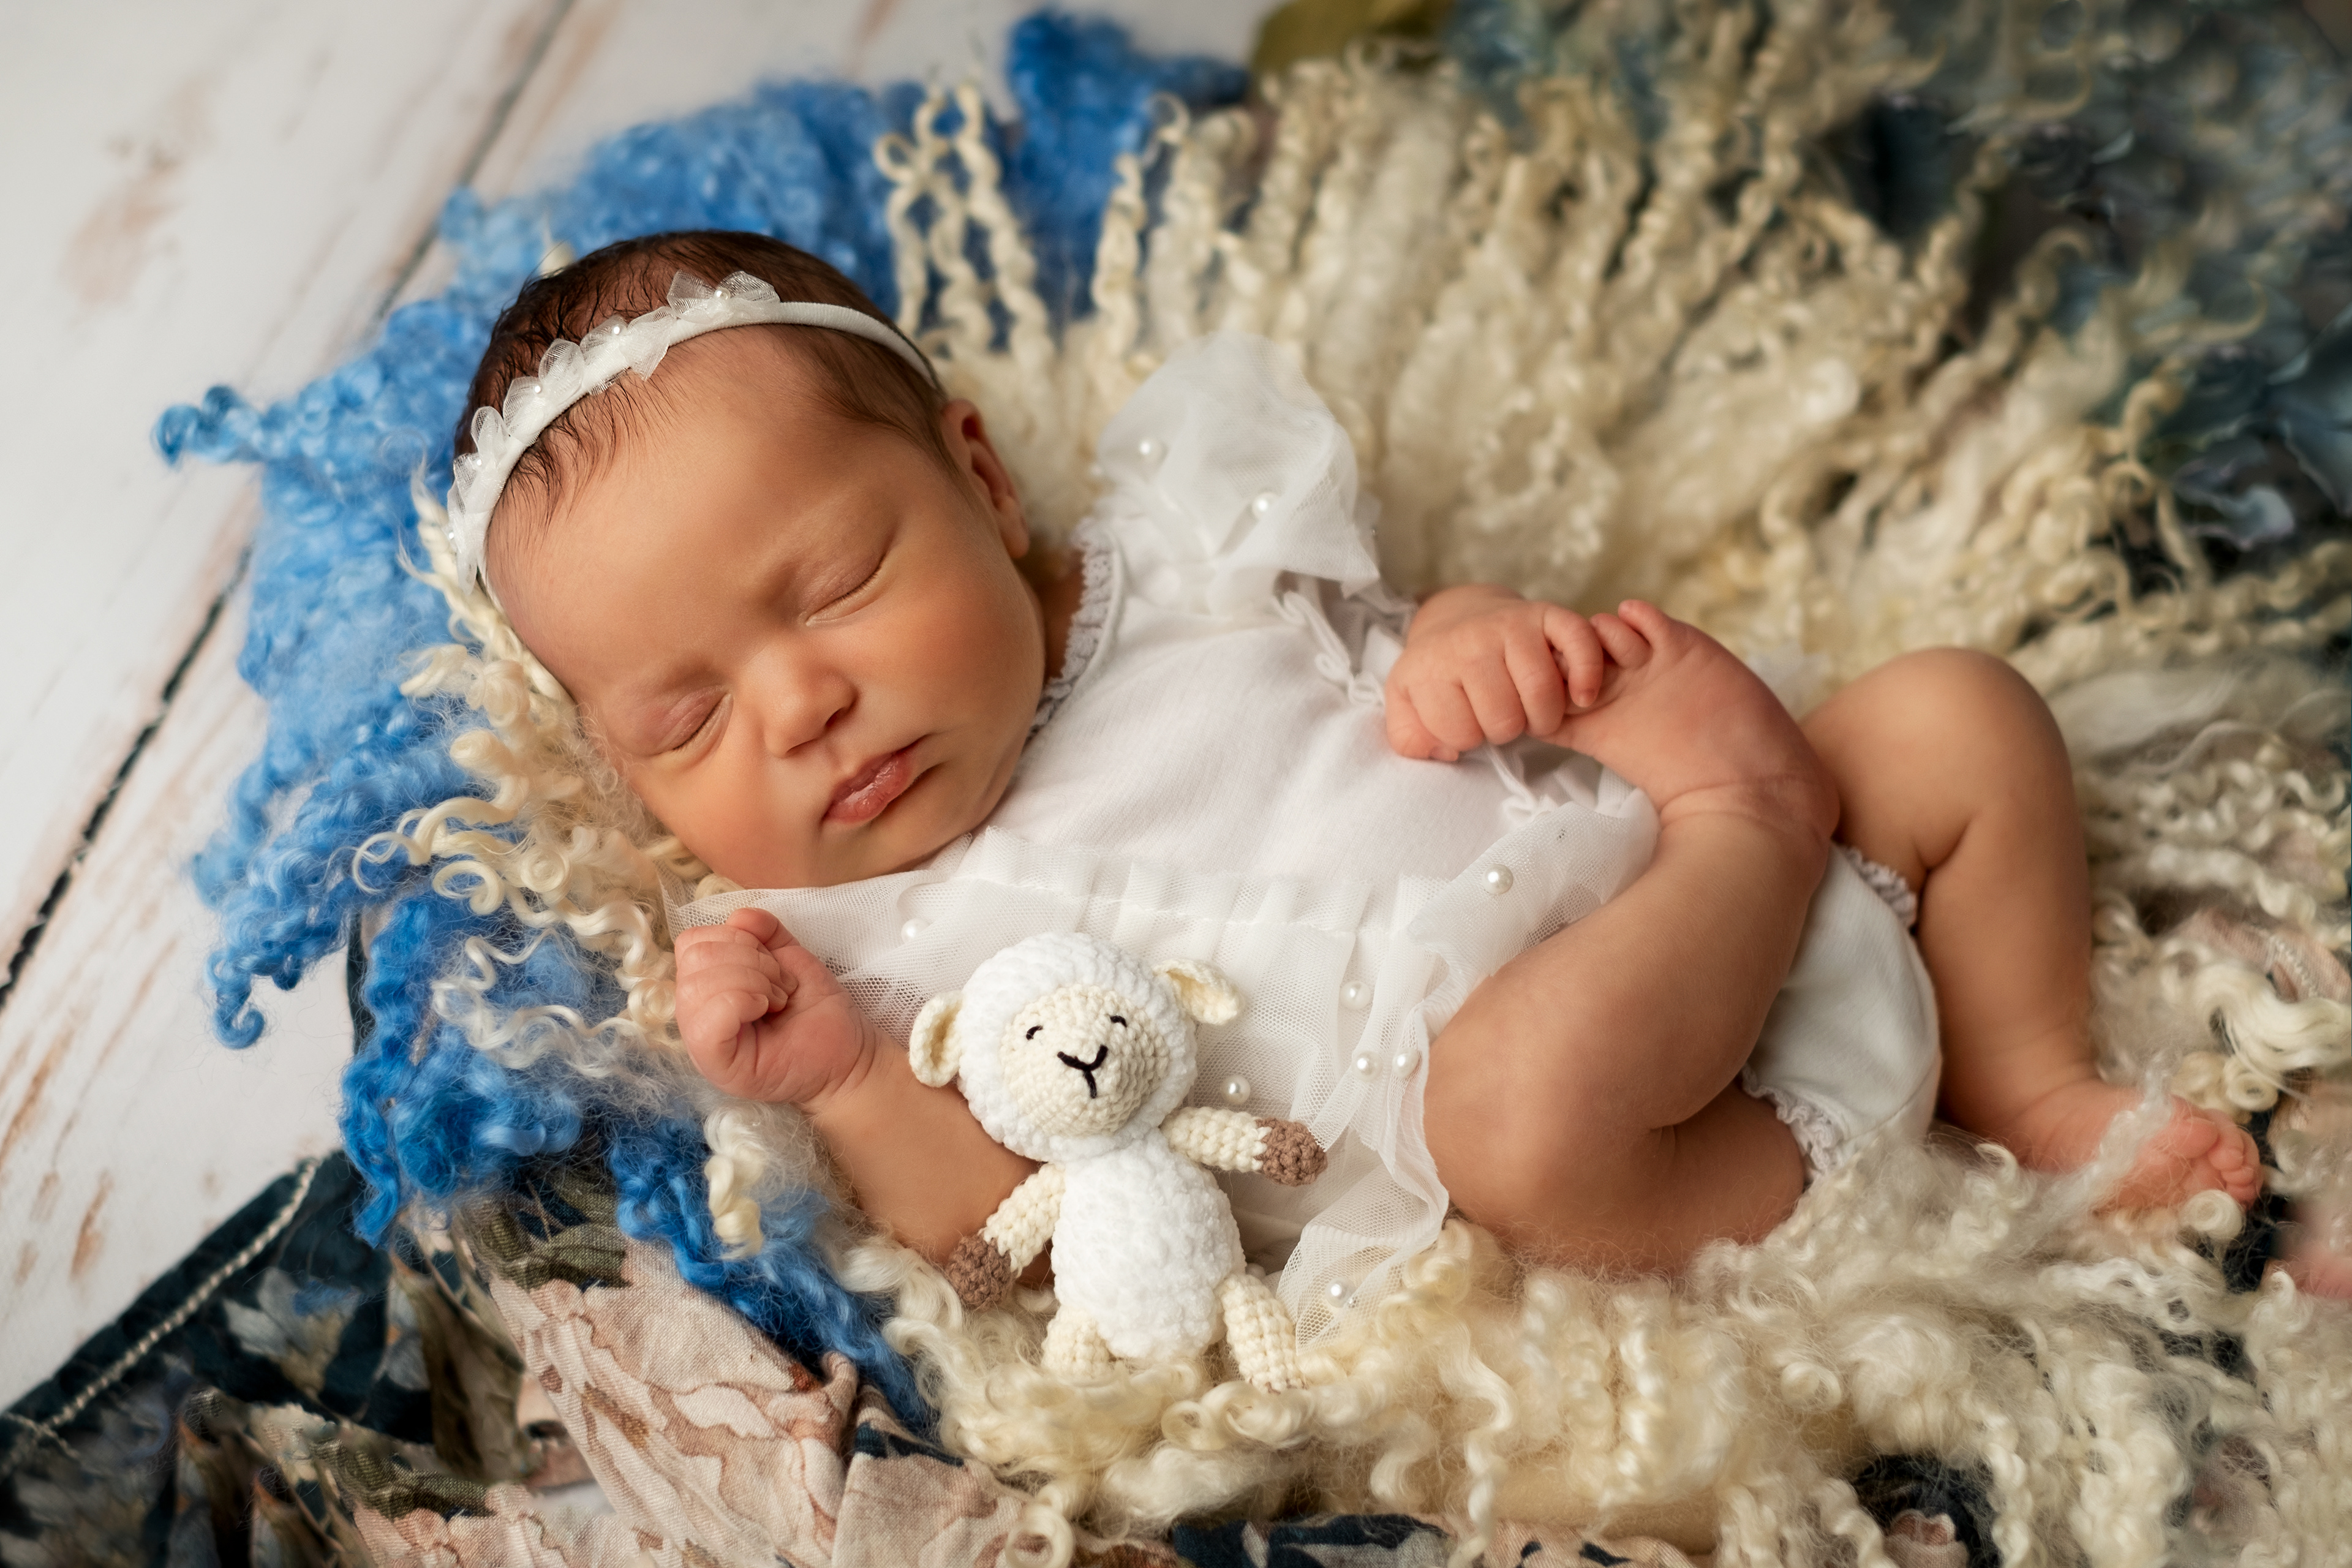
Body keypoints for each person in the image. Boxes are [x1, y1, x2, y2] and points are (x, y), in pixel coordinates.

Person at [446, 229, 2262, 1330]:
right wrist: (841, 1079)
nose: (802, 710)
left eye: (839, 583)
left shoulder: (1186, 558)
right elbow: (1002, 1239)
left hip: (1725, 924)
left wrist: (1484, 640)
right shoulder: (841, 954)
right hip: (1635, 1154)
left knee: (1953, 712)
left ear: (982, 483)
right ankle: (1755, 821)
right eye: (685, 723)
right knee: (1513, 1113)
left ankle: (2029, 1080)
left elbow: (1402, 644)